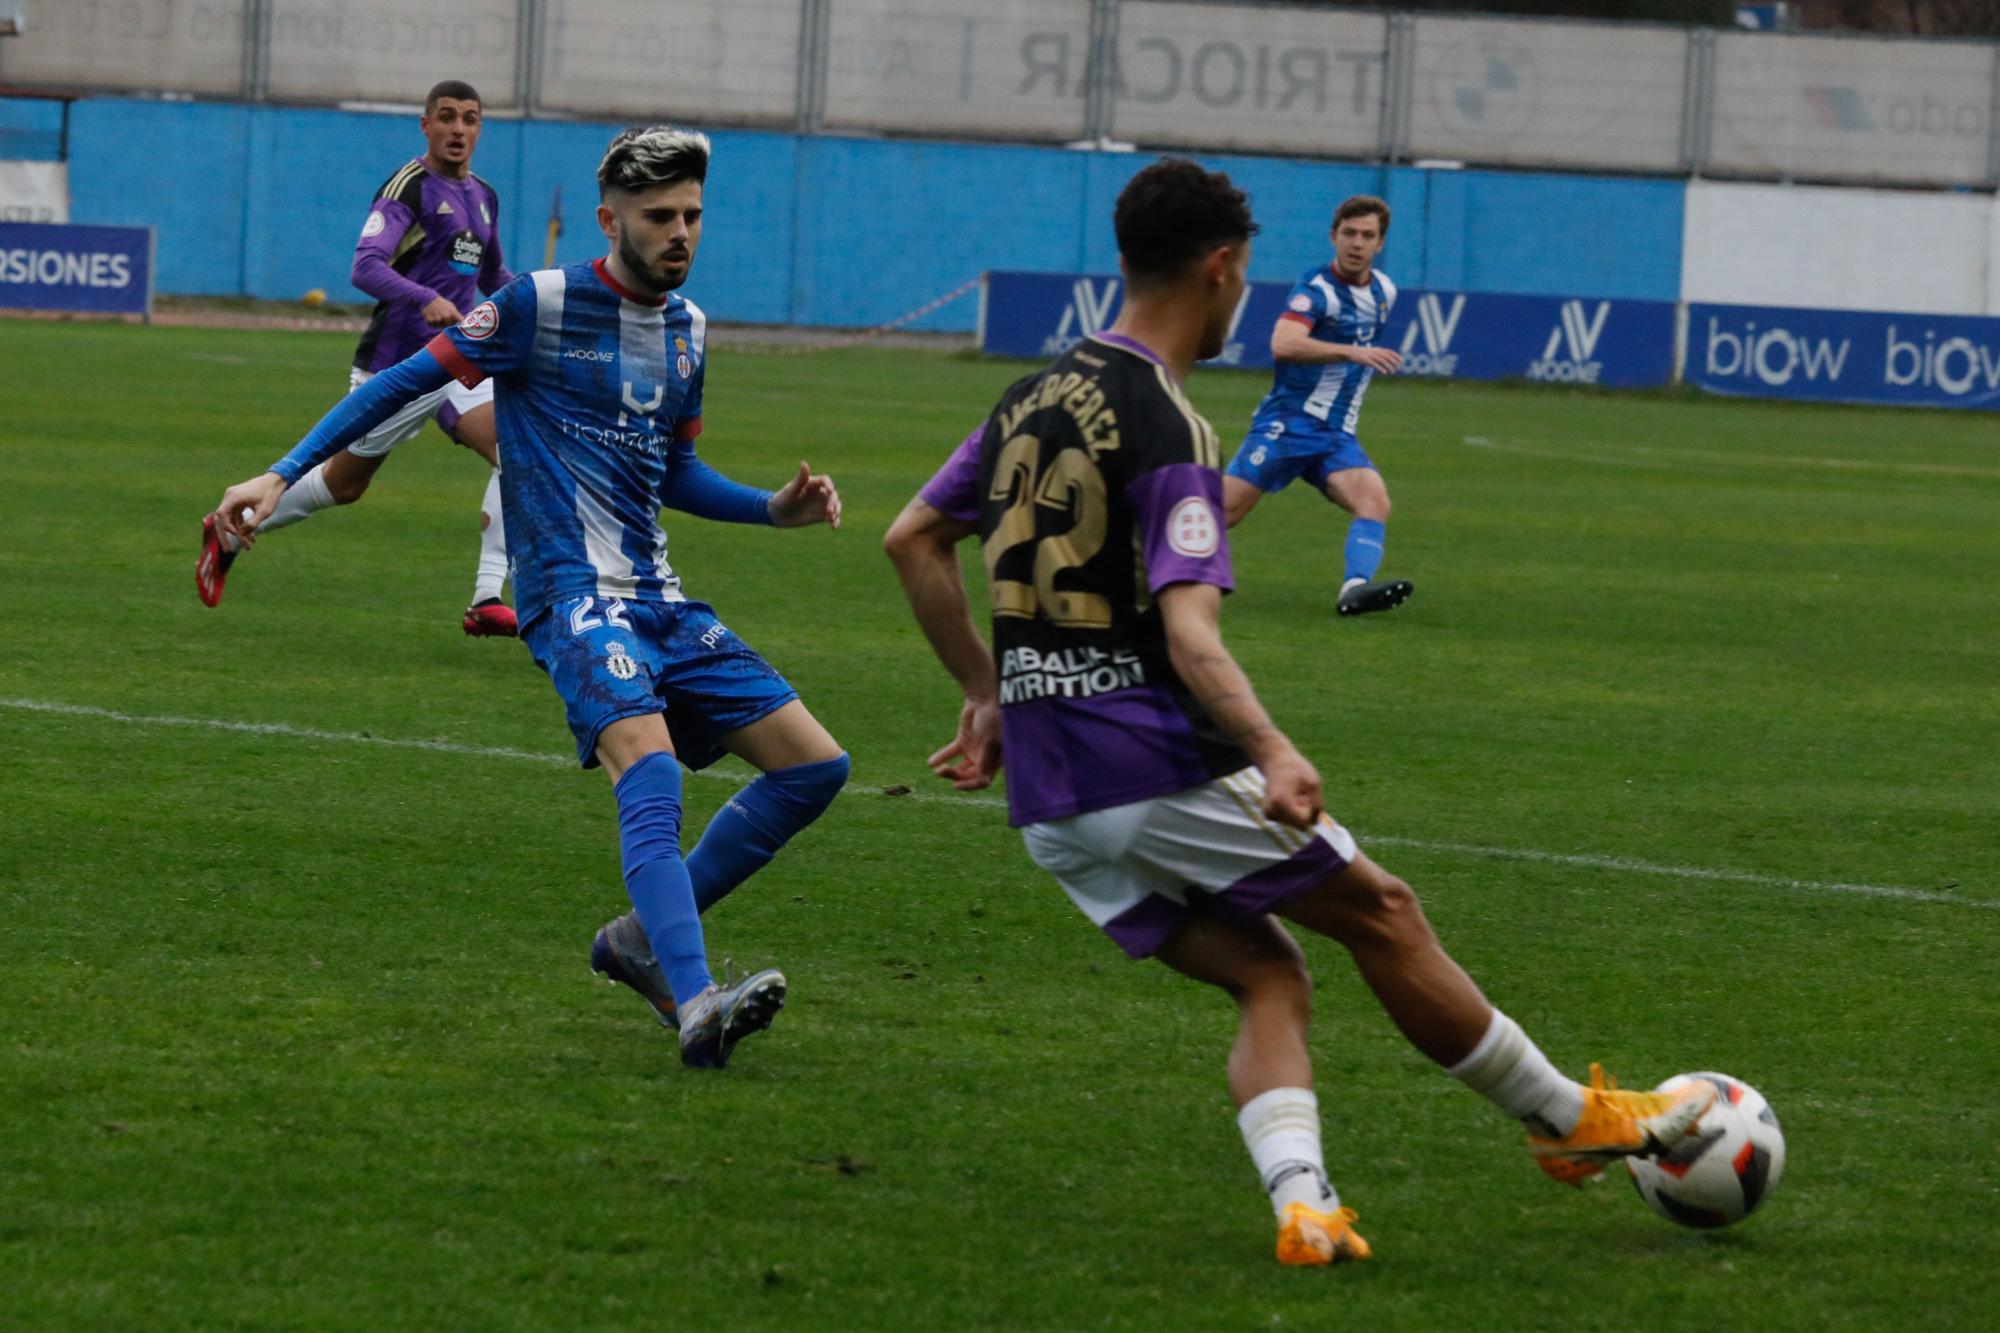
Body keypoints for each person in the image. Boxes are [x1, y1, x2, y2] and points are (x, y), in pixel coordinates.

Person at [883, 159, 1712, 1265]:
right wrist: (1269, 745)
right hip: (1143, 761)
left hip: (1047, 799)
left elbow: (911, 539)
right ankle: (1568, 1119)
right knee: (1382, 911)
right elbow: (1189, 633)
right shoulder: (1171, 425)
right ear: (1219, 268)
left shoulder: (1024, 396)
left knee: (1269, 971)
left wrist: (989, 691)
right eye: (1244, 276)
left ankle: (1305, 1206)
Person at [209, 126, 851, 1070]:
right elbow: (402, 380)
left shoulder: (689, 332)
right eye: (660, 216)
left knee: (814, 767)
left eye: (693, 217)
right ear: (610, 220)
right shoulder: (538, 305)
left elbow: (675, 470)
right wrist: (281, 472)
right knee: (654, 769)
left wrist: (772, 509)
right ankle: (694, 997)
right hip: (571, 597)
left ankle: (637, 939)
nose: (681, 233)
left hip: (661, 597)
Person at [197, 78, 520, 637]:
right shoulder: (408, 188)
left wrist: (538, 309)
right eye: (447, 117)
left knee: (522, 451)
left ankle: (487, 597)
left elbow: (493, 277)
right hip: (397, 367)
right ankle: (229, 529)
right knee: (344, 486)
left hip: (460, 361)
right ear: (426, 124)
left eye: (470, 119)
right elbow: (365, 266)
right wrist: (426, 299)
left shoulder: (485, 196)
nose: (458, 129)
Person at [1221, 195, 1412, 618]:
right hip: (1289, 425)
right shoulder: (1317, 290)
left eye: (1367, 236)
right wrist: (1353, 352)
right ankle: (1132, 563)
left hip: (1335, 435)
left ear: (1380, 244)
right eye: (1349, 233)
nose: (1356, 243)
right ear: (1333, 236)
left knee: (1374, 501)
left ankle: (1354, 589)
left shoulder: (1385, 292)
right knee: (1223, 513)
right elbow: (1283, 344)